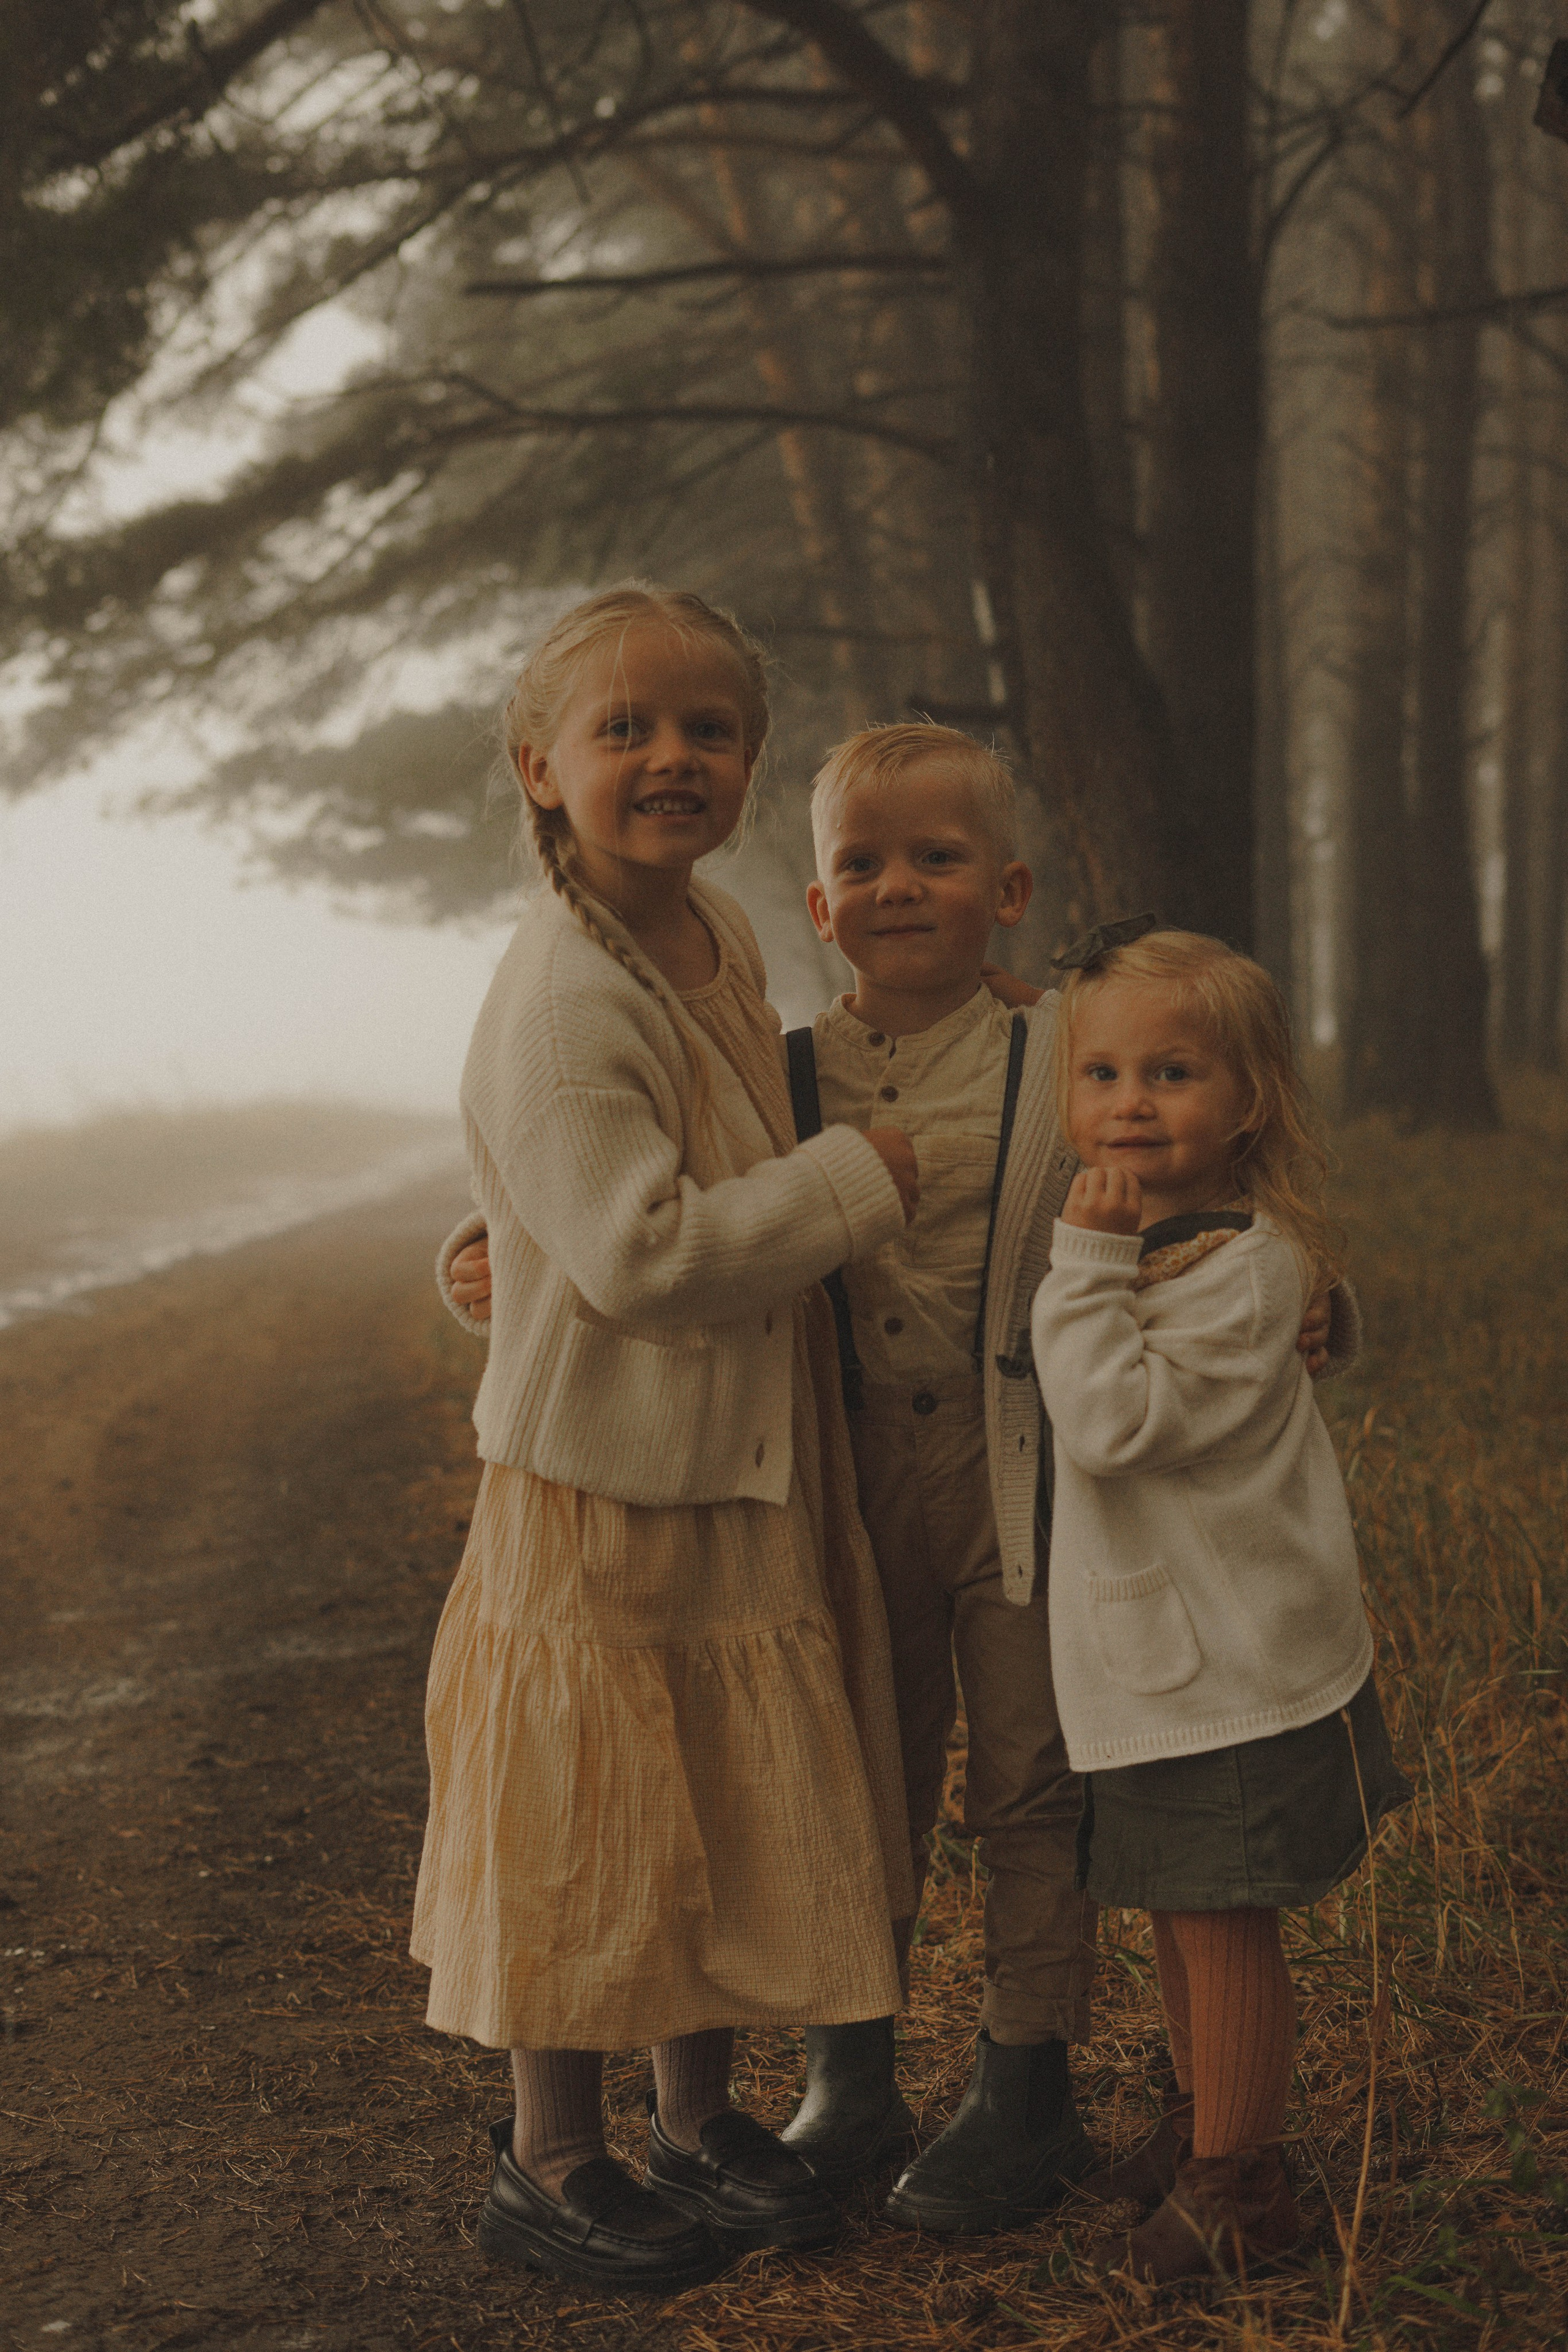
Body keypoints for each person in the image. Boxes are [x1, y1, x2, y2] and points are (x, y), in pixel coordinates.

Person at [443, 725, 1346, 2238]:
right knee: (847, 1766)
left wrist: (1316, 1297)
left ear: (1006, 890)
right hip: (831, 1485)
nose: (897, 888)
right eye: (860, 863)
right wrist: (487, 1255)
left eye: (935, 859)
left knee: (1026, 1784)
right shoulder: (778, 1066)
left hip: (1021, 1481)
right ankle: (845, 2065)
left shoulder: (1060, 1046)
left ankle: (1023, 2074)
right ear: (813, 905)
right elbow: (602, 1168)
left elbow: (1206, 1159)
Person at [412, 582, 922, 2294]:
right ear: (539, 766)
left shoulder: (709, 937)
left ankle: (699, 2120)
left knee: (706, 1793)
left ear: (752, 761)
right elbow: (637, 1251)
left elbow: (622, 1178)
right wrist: (861, 1185)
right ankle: (554, 2159)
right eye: (624, 728)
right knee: (587, 1813)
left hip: (732, 1453)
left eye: (709, 728)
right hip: (606, 1481)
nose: (672, 757)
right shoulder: (566, 988)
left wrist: (500, 1236)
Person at [1031, 925, 1409, 2285]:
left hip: (1225, 1668)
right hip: (1162, 1662)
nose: (1127, 1101)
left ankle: (1241, 2190)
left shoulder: (1235, 1264)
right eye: (1101, 1071)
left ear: (1246, 1098)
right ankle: (1209, 2125)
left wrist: (1079, 1270)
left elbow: (1110, 1420)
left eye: (1172, 1071)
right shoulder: (1169, 1239)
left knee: (1218, 1916)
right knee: (1175, 1906)